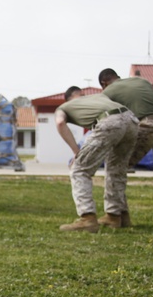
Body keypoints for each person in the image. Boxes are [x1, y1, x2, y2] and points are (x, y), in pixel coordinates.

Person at [99, 68, 153, 226]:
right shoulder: (141, 81)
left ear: (103, 83)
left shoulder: (108, 92)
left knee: (116, 167)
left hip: (147, 125)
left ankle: (116, 215)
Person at [55, 87, 139, 232]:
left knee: (79, 170)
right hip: (131, 120)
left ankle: (87, 219)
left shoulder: (63, 107)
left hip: (109, 121)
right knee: (116, 170)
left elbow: (60, 123)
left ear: (68, 99)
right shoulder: (99, 97)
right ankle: (116, 216)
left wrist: (77, 152)